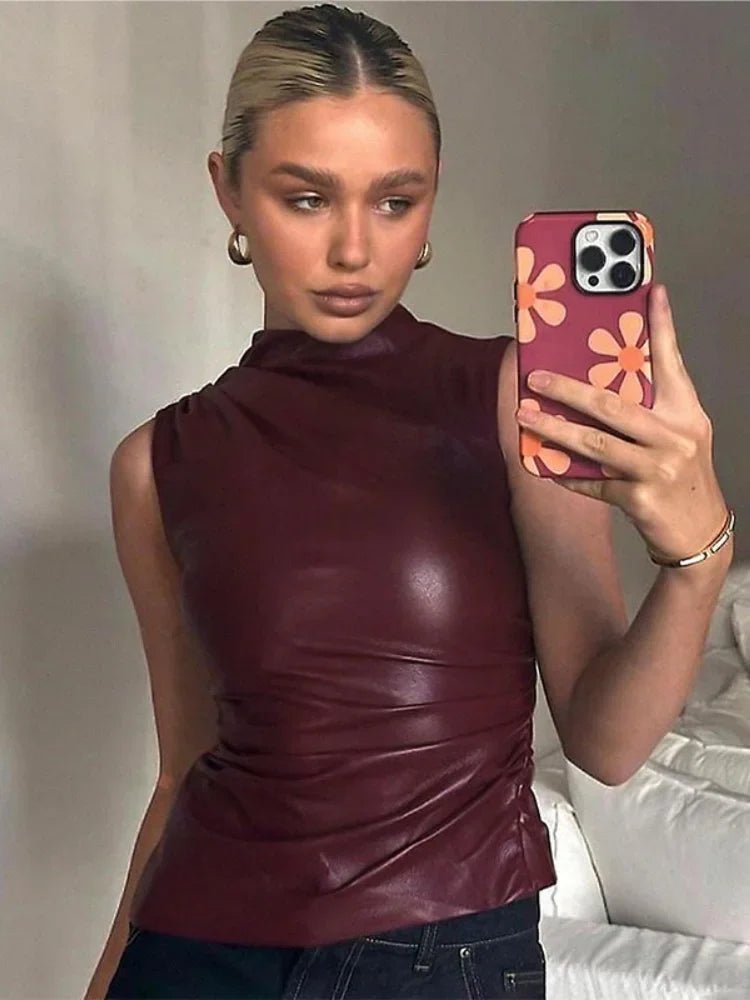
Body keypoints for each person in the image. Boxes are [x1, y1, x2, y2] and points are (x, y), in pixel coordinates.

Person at [89, 4, 735, 998]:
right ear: (229, 191)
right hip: (193, 952)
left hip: (440, 959)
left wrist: (699, 558)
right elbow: (184, 768)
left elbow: (605, 744)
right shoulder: (156, 463)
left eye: (396, 200)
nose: (355, 249)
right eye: (307, 198)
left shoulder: (511, 399)